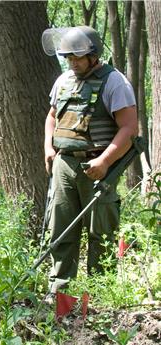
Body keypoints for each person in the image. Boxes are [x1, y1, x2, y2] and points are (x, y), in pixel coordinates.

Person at [41, 26, 138, 303]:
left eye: (78, 57)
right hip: (64, 164)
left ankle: (99, 293)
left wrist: (105, 161)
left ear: (93, 55)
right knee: (60, 229)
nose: (72, 63)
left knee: (101, 231)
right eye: (69, 58)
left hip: (97, 167)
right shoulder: (63, 81)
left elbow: (129, 128)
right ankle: (59, 292)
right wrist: (49, 147)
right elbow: (51, 116)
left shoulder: (114, 82)